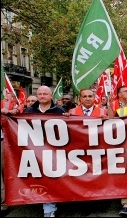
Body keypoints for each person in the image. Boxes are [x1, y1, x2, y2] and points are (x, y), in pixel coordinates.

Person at [62, 89, 107, 216]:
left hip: (97, 149)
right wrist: (64, 118)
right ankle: (85, 203)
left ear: (94, 98)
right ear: (80, 99)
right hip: (79, 150)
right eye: (84, 96)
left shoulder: (103, 111)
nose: (87, 98)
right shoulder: (71, 112)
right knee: (83, 177)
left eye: (90, 96)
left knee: (99, 176)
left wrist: (108, 119)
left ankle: (100, 201)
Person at [24, 85, 66, 217]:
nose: (42, 96)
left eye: (45, 94)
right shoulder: (29, 111)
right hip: (34, 151)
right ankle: (46, 204)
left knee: (52, 178)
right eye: (40, 93)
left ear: (51, 96)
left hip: (54, 151)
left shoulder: (60, 111)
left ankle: (49, 207)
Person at [1, 92, 19, 215]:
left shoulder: (9, 106)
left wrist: (12, 111)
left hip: (3, 140)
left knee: (4, 171)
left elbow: (17, 111)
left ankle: (4, 202)